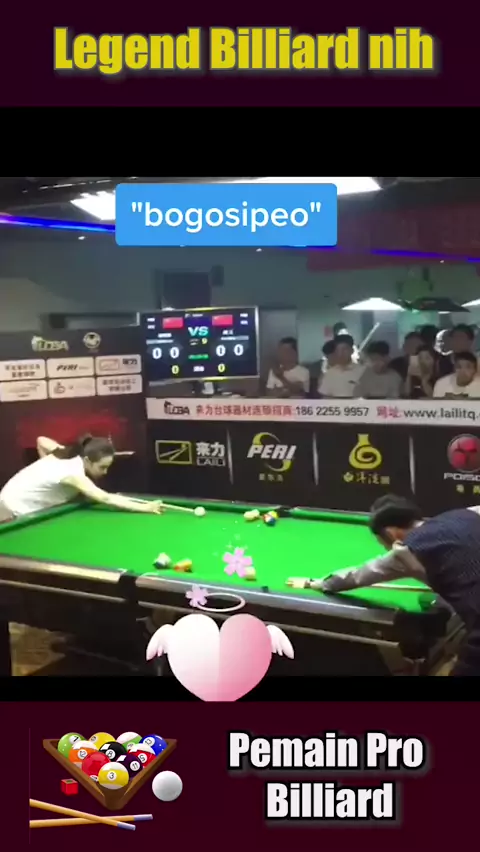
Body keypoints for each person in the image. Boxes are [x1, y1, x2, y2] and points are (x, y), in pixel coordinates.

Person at [287, 494, 480, 676]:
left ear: (390, 533)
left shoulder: (407, 551)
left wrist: (316, 583)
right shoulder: (467, 513)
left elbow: (357, 576)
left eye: (382, 542)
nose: (386, 548)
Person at [0, 434, 164, 521]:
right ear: (87, 460)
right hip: (11, 508)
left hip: (9, 497)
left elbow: (41, 440)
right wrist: (146, 507)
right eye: (102, 467)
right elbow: (105, 498)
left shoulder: (66, 452)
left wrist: (46, 466)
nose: (105, 472)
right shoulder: (73, 473)